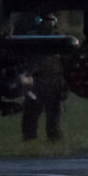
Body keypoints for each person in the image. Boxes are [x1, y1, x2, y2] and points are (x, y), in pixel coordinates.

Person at [22, 14, 67, 142]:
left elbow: (66, 61)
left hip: (54, 82)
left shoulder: (61, 38)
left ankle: (54, 138)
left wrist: (65, 85)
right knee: (31, 111)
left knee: (54, 113)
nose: (48, 23)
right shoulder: (31, 37)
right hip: (35, 82)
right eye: (45, 20)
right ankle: (29, 138)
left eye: (50, 20)